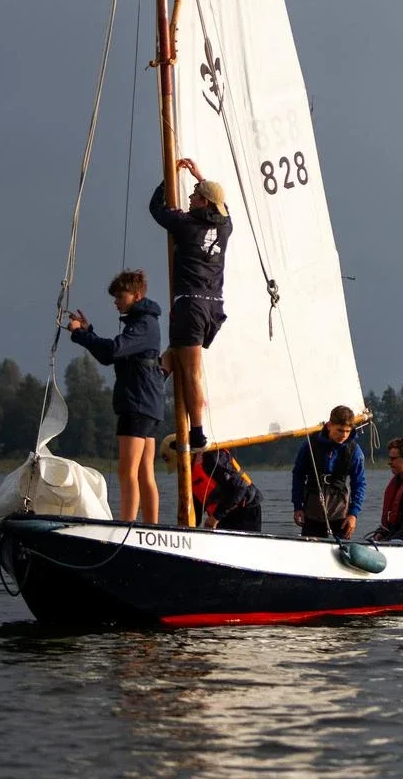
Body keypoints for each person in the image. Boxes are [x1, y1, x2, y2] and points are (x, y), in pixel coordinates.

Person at [68, 269, 164, 524]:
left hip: (137, 402)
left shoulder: (143, 323)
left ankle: (128, 526)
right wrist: (89, 332)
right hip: (148, 403)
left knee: (127, 470)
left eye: (120, 296)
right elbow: (111, 355)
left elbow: (113, 351)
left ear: (137, 294)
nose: (116, 302)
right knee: (144, 472)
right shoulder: (143, 322)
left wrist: (80, 334)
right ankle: (150, 528)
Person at [149, 157, 232, 449]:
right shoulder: (226, 227)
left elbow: (155, 208)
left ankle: (196, 433)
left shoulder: (184, 223)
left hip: (191, 304)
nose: (190, 196)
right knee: (181, 357)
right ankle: (156, 374)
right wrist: (200, 176)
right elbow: (223, 207)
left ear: (205, 203)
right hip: (214, 308)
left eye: (195, 194)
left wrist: (169, 177)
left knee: (192, 370)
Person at [291, 405, 366, 539]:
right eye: (340, 430)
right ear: (329, 425)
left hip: (340, 513)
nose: (343, 435)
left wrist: (353, 514)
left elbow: (359, 483)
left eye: (348, 431)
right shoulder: (310, 444)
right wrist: (298, 506)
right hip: (312, 511)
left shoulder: (354, 450)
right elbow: (298, 475)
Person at [160, 434, 262, 532]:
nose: (179, 470)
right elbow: (197, 512)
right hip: (223, 514)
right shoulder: (188, 477)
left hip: (246, 510)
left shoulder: (211, 459)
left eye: (178, 465)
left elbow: (240, 487)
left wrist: (215, 517)